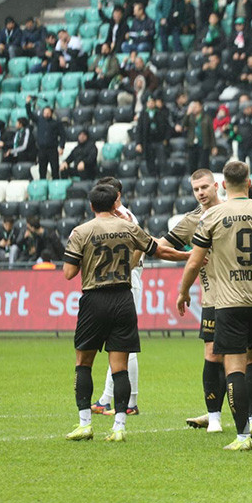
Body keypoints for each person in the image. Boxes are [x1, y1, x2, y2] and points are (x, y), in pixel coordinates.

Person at [177, 161, 252, 451]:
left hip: (228, 302)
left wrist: (183, 292)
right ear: (249, 181)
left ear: (222, 185)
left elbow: (194, 261)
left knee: (233, 367)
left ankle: (243, 434)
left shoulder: (213, 216)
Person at [63, 183, 187, 442]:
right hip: (123, 298)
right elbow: (159, 250)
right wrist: (189, 256)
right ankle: (119, 427)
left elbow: (68, 273)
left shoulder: (81, 231)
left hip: (94, 299)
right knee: (119, 367)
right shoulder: (129, 227)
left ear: (91, 206)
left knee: (83, 364)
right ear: (114, 203)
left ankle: (85, 423)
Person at [161, 170, 224, 433]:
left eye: (204, 187)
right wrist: (188, 257)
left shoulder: (232, 211)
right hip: (212, 298)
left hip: (245, 294)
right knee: (212, 354)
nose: (200, 193)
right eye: (195, 189)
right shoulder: (192, 221)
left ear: (217, 186)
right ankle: (215, 417)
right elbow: (162, 247)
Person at [90, 178, 145, 417]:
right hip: (124, 281)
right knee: (117, 344)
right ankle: (106, 399)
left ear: (118, 195)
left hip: (126, 281)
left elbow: (140, 245)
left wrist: (126, 269)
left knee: (125, 346)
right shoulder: (117, 216)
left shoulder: (125, 218)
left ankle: (130, 402)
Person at [26, 98, 64, 180]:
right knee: (42, 170)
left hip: (52, 149)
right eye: (45, 112)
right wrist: (28, 104)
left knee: (55, 170)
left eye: (48, 112)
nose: (46, 114)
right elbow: (30, 114)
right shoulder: (40, 121)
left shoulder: (56, 123)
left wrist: (61, 146)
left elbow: (62, 135)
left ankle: (55, 186)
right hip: (42, 150)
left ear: (51, 113)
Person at [135, 92, 170, 176]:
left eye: (152, 102)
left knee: (162, 161)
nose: (150, 104)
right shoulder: (143, 115)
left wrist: (166, 139)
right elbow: (139, 130)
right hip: (148, 142)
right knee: (150, 162)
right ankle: (152, 177)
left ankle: (162, 176)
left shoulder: (161, 113)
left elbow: (167, 127)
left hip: (159, 141)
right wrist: (138, 143)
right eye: (149, 102)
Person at [184, 100, 215, 172]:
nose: (194, 108)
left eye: (196, 106)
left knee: (204, 166)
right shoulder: (190, 117)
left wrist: (214, 146)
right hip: (192, 145)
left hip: (203, 145)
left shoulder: (207, 118)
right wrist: (187, 114)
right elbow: (184, 125)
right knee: (192, 166)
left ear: (201, 107)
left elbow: (211, 133)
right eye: (193, 106)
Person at [233, 98, 252, 171]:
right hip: (241, 145)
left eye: (250, 108)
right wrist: (237, 137)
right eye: (248, 108)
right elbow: (232, 129)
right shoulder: (238, 118)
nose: (250, 109)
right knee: (241, 168)